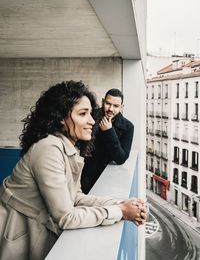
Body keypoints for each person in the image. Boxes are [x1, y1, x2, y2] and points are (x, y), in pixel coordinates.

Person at [0, 81, 146, 260]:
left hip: (33, 232)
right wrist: (120, 212)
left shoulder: (69, 146)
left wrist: (119, 203)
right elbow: (67, 217)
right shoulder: (48, 149)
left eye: (91, 113)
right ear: (61, 117)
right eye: (83, 114)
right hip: (17, 235)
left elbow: (75, 197)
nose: (92, 121)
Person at [81, 88, 134, 194]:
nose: (111, 109)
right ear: (102, 102)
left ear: (122, 107)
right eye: (108, 104)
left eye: (116, 106)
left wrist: (109, 131)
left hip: (106, 178)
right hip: (83, 173)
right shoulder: (90, 116)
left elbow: (121, 158)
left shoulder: (128, 127)